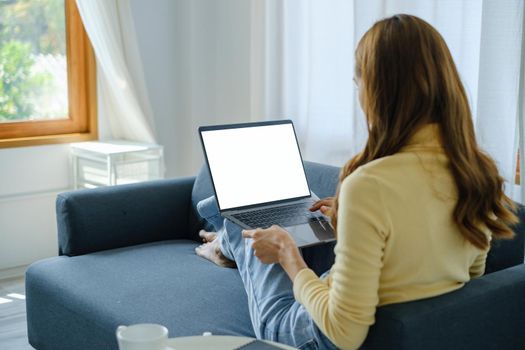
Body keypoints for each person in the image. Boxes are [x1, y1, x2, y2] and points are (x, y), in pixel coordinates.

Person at [195, 14, 518, 350]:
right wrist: (353, 216)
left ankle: (223, 242)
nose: (359, 94)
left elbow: (344, 331)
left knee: (246, 224)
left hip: (315, 331)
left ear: (379, 92)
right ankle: (223, 238)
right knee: (309, 208)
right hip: (374, 302)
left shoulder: (369, 185)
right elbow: (469, 274)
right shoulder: (477, 174)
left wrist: (289, 256)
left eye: (358, 82)